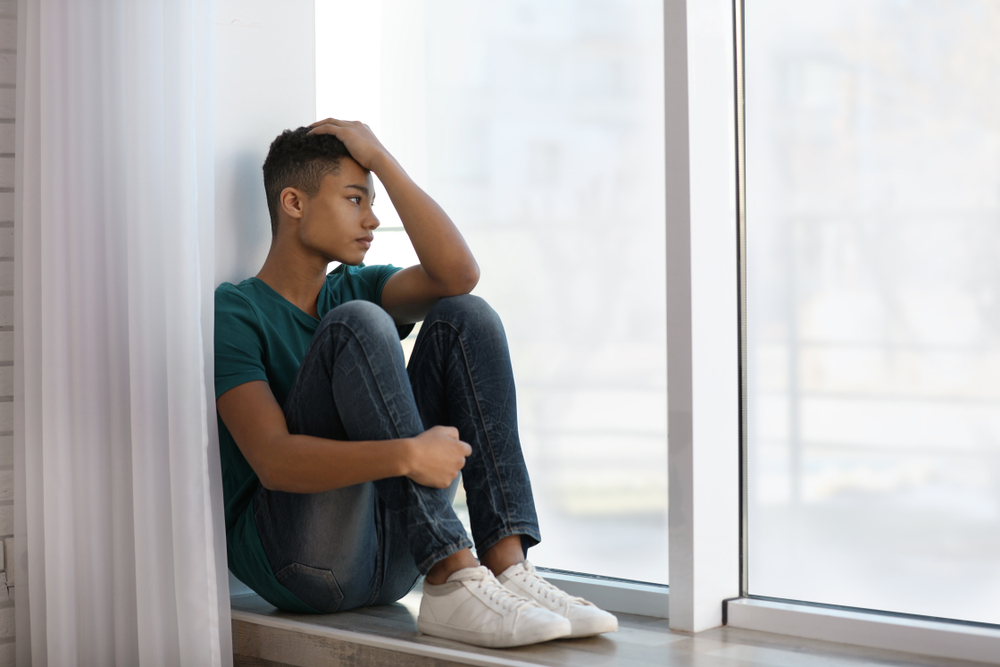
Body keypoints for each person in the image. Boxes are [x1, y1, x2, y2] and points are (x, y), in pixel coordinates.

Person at [214, 119, 618, 648]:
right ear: (294, 203)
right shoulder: (237, 310)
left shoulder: (356, 285)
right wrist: (405, 455)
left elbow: (458, 275)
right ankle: (452, 569)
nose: (374, 219)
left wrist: (379, 157)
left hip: (390, 558)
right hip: (299, 562)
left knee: (465, 315)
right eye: (356, 199)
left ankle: (503, 567)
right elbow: (273, 459)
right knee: (359, 323)